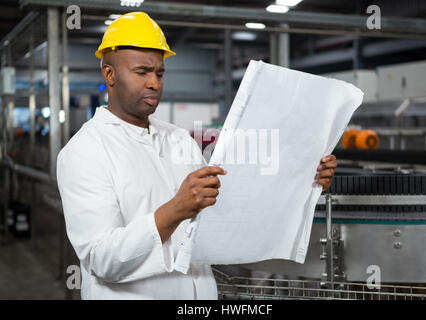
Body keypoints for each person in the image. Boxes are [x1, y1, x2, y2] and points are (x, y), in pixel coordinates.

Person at [56, 12, 338, 300]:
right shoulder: (85, 151)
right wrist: (175, 210)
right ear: (109, 74)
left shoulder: (179, 138)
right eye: (142, 72)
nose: (154, 83)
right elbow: (101, 259)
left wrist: (304, 177)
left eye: (160, 73)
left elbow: (225, 207)